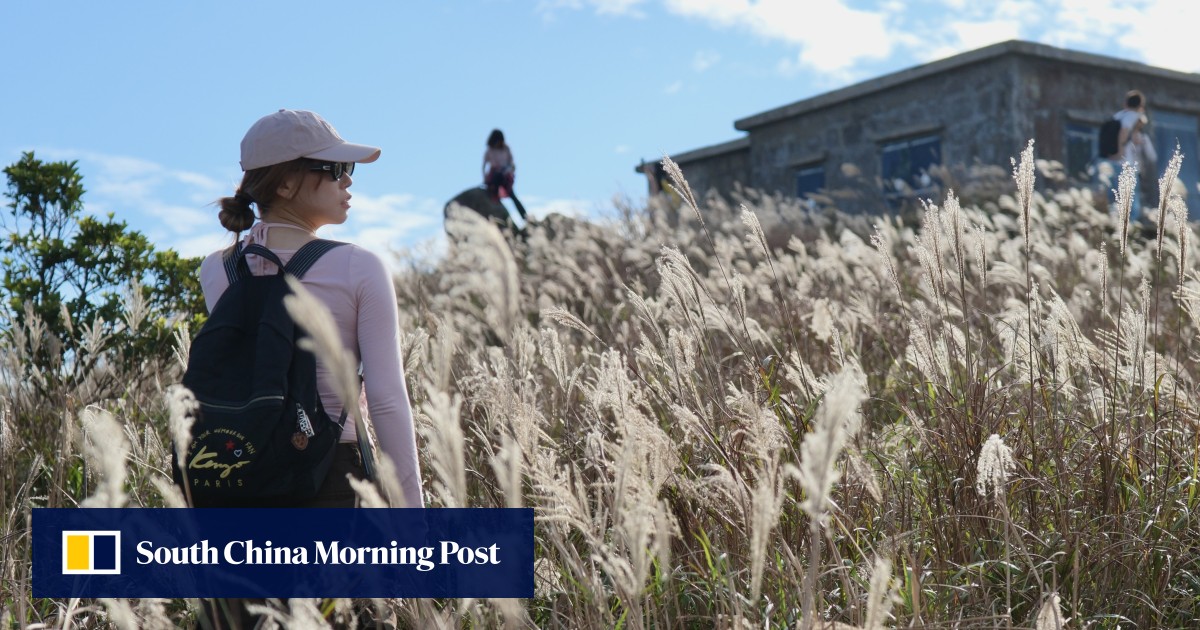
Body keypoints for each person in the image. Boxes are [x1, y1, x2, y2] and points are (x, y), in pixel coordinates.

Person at [199, 109, 424, 628]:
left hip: (237, 486)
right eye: (335, 169)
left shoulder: (218, 269)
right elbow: (387, 398)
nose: (348, 182)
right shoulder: (359, 267)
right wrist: (412, 517)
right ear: (286, 182)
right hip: (333, 483)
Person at [1099, 90, 1155, 222]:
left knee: (1115, 194)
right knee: (1130, 197)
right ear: (1140, 104)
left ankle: (1114, 220)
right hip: (1125, 162)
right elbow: (1124, 132)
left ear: (1126, 103)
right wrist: (1120, 152)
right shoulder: (1132, 116)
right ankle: (1130, 224)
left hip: (1112, 160)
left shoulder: (1118, 115)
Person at [483, 128, 516, 203]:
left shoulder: (506, 148)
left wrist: (507, 170)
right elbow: (484, 165)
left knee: (512, 195)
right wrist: (485, 177)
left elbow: (511, 163)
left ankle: (523, 213)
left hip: (505, 175)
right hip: (494, 175)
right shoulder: (489, 150)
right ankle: (495, 199)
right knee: (494, 187)